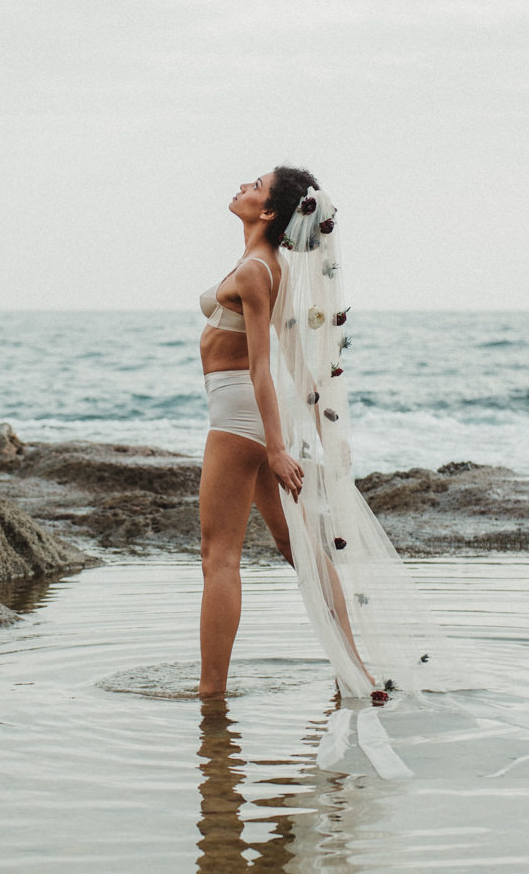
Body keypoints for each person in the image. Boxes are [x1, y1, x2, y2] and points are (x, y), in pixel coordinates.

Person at [196, 165, 317, 700]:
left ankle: (210, 693)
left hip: (239, 416)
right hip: (252, 416)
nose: (244, 184)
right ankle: (352, 664)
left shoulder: (255, 269)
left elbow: (262, 367)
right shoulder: (268, 264)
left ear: (268, 212)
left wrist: (275, 449)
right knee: (296, 547)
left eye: (257, 186)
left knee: (218, 554)